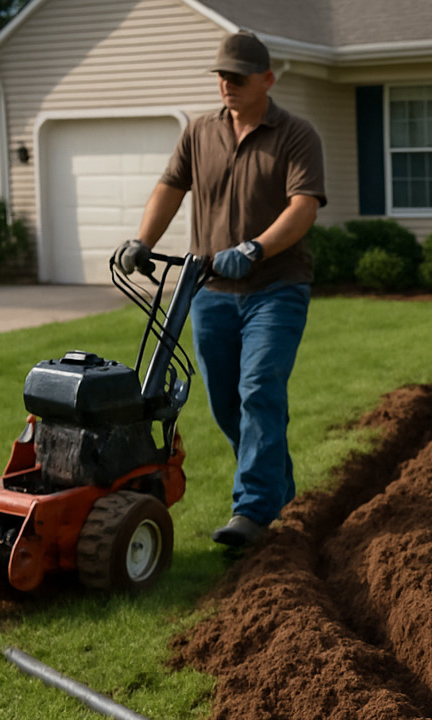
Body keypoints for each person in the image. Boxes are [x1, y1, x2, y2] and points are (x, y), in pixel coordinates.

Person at [117, 30, 326, 549]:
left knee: (259, 389)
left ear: (267, 79)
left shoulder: (296, 134)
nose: (226, 83)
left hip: (275, 287)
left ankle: (252, 509)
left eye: (237, 76)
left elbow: (304, 208)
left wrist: (255, 248)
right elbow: (170, 187)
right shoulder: (199, 133)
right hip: (209, 290)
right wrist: (143, 241)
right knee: (225, 403)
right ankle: (277, 483)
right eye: (220, 75)